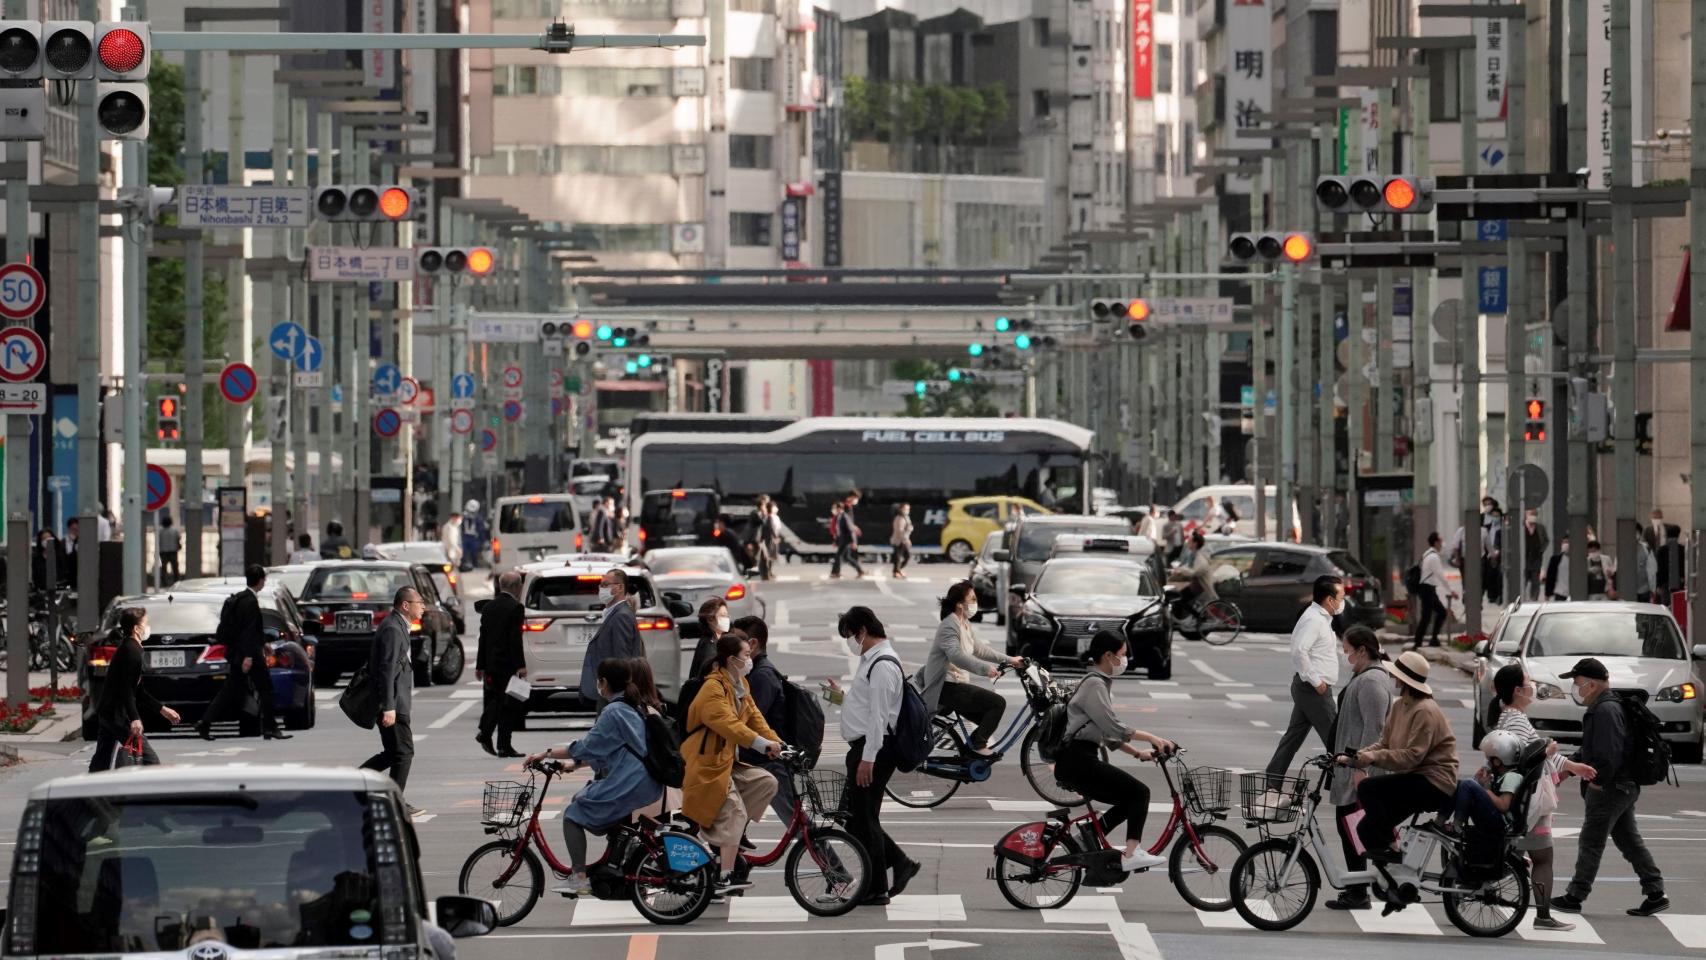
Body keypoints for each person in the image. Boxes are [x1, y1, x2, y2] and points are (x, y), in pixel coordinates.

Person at [528, 658, 664, 897]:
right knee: (582, 801)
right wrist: (573, 765)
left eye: (598, 681)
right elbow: (609, 748)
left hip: (630, 782)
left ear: (603, 682)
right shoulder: (632, 706)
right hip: (644, 779)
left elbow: (586, 745)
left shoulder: (614, 711)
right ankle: (613, 864)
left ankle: (579, 877)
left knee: (573, 814)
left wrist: (545, 753)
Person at [1482, 662, 1596, 930]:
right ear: (1518, 690)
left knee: (1521, 854)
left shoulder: (1506, 716)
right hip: (1529, 801)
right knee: (1543, 859)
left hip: (1520, 796)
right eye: (1528, 682)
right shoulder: (1517, 720)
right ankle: (1543, 915)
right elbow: (1528, 759)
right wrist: (1553, 754)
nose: (1532, 687)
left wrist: (1570, 766)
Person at [1552, 657, 1668, 917]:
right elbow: (1595, 749)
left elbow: (1608, 753)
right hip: (1625, 785)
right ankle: (1655, 891)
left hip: (1611, 787)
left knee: (1591, 840)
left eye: (1577, 682)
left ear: (1591, 685)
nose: (1575, 687)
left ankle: (1575, 895)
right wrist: (1570, 768)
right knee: (1628, 840)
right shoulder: (1610, 705)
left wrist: (1598, 782)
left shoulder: (1604, 710)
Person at [1056, 631, 1176, 873]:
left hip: (1079, 758)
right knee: (1140, 793)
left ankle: (1088, 834)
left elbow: (1106, 733)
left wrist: (1137, 753)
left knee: (1129, 798)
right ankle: (1131, 854)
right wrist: (1152, 737)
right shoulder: (1094, 684)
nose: (1125, 660)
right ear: (1108, 656)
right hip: (1078, 759)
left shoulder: (1098, 683)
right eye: (1122, 655)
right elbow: (1113, 727)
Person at [823, 606, 919, 906]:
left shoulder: (882, 665)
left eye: (851, 635)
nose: (852, 641)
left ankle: (877, 887)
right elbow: (868, 706)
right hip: (866, 748)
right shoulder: (874, 661)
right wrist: (842, 697)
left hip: (873, 750)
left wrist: (869, 758)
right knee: (857, 818)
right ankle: (898, 864)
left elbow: (879, 717)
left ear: (863, 630)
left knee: (862, 818)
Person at [682, 631, 783, 897]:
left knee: (765, 782)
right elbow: (729, 725)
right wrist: (762, 744)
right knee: (735, 812)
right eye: (746, 655)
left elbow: (754, 718)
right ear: (731, 659)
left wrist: (779, 744)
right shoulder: (713, 688)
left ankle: (726, 834)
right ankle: (724, 877)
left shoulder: (739, 683)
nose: (750, 659)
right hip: (707, 763)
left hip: (725, 761)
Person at [1342, 650, 1458, 860]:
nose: (1393, 678)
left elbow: (1412, 756)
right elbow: (1383, 743)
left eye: (1396, 675)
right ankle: (1396, 875)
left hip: (1434, 782)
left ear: (1406, 681)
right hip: (1415, 778)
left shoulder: (1424, 710)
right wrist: (1356, 757)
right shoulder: (1400, 705)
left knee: (1368, 788)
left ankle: (1393, 851)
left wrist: (1374, 758)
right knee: (1365, 830)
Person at [1325, 626, 1393, 910]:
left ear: (1363, 650)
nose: (1346, 656)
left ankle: (1360, 891)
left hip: (1360, 770)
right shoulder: (1364, 677)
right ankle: (1360, 887)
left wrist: (1361, 767)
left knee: (1354, 828)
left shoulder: (1372, 681)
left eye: (1348, 651)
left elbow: (1374, 727)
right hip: (1351, 765)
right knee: (1351, 828)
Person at [919, 581, 1022, 755]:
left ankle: (969, 753)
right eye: (972, 599)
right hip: (945, 687)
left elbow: (979, 649)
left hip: (955, 685)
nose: (975, 602)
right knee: (997, 703)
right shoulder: (949, 625)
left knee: (987, 718)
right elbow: (956, 655)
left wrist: (1011, 660)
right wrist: (984, 669)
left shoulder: (963, 623)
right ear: (960, 604)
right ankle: (977, 746)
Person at [1264, 576, 1344, 782]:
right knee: (1335, 739)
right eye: (1340, 597)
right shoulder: (1314, 620)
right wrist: (1317, 682)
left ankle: (1272, 781)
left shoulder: (1321, 618)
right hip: (1313, 689)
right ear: (1329, 600)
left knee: (1293, 738)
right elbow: (1299, 651)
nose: (1342, 601)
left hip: (1310, 688)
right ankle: (1348, 787)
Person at [196, 565, 288, 741]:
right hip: (248, 655)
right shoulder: (250, 602)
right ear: (260, 581)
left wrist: (263, 644)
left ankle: (205, 723)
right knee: (266, 689)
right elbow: (247, 631)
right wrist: (249, 657)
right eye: (264, 580)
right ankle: (270, 728)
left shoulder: (241, 598)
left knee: (230, 691)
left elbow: (248, 630)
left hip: (240, 653)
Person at [88, 608, 181, 771]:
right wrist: (134, 718)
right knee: (150, 761)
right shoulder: (132, 652)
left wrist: (162, 709)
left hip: (109, 713)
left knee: (101, 762)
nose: (148, 627)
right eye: (146, 623)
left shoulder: (130, 648)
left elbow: (137, 690)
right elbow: (126, 689)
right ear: (136, 629)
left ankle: (88, 792)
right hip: (117, 715)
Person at [362, 586, 424, 811]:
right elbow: (386, 669)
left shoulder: (398, 626)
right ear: (405, 605)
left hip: (397, 701)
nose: (423, 607)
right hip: (393, 703)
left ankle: (356, 782)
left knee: (393, 753)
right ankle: (393, 803)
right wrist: (389, 707)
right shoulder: (393, 629)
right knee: (404, 752)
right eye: (419, 602)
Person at [733, 616, 794, 822]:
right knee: (734, 820)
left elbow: (751, 719)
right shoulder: (753, 674)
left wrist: (772, 742)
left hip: (767, 762)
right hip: (759, 760)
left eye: (736, 639)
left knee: (795, 821)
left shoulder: (762, 676)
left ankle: (827, 856)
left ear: (752, 643)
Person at [476, 571, 527, 757]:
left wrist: (480, 665)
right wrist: (520, 665)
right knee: (508, 704)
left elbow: (483, 638)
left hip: (491, 664)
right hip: (507, 664)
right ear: (516, 587)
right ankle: (494, 737)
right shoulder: (515, 608)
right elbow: (515, 640)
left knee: (499, 701)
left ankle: (495, 739)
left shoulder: (489, 607)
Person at [579, 567, 641, 707]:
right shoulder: (613, 614)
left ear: (619, 587)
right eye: (600, 585)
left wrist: (617, 695)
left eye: (605, 584)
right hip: (608, 690)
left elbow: (623, 658)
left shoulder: (621, 616)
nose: (601, 588)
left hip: (613, 693)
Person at [1413, 532, 1453, 649]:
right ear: (1436, 542)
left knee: (1440, 613)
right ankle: (1419, 641)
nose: (1442, 544)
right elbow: (1440, 575)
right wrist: (1450, 590)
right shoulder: (1433, 557)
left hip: (1429, 589)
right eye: (1440, 541)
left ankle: (1432, 639)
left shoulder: (1427, 554)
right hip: (1427, 589)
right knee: (1427, 616)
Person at [688, 596, 732, 680]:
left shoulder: (716, 640)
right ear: (710, 619)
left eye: (727, 616)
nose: (727, 620)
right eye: (723, 616)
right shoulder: (710, 646)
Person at [830, 492, 865, 580]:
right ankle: (860, 571)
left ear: (839, 509)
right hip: (843, 539)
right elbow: (839, 530)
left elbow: (850, 530)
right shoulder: (839, 516)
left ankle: (835, 573)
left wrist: (854, 542)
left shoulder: (844, 516)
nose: (833, 510)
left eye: (835, 508)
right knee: (846, 557)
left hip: (846, 540)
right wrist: (835, 540)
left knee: (839, 556)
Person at [1523, 511, 1550, 600]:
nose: (1533, 517)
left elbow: (1546, 540)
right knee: (1524, 578)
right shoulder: (1522, 526)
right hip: (1524, 557)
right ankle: (1521, 596)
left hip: (1536, 557)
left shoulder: (1540, 527)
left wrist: (1541, 550)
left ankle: (1534, 597)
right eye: (1531, 514)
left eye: (1534, 515)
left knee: (1535, 579)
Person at [1656, 524, 1685, 605]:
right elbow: (1684, 567)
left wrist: (1658, 585)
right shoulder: (1682, 549)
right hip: (1680, 582)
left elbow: (1660, 569)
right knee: (1678, 604)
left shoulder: (1662, 550)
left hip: (1664, 583)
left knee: (1666, 605)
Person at [157, 514, 183, 584]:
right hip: (173, 551)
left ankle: (164, 582)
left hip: (163, 552)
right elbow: (178, 538)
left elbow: (158, 541)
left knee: (163, 568)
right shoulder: (174, 530)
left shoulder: (160, 531)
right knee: (175, 568)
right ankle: (176, 581)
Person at [890, 503, 914, 579]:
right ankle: (897, 571)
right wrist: (906, 540)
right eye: (905, 509)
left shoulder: (906, 517)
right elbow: (899, 531)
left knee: (903, 557)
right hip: (898, 541)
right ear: (900, 509)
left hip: (903, 540)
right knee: (899, 557)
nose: (907, 510)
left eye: (908, 509)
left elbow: (908, 528)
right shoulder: (899, 518)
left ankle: (897, 571)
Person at [1545, 535, 1571, 601]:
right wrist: (1547, 594)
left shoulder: (1579, 560)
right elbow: (1550, 576)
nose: (1566, 545)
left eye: (1568, 542)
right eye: (1564, 543)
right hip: (1560, 592)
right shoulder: (1555, 559)